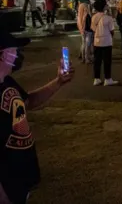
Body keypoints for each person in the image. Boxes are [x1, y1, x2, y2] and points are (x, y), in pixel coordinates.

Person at [0, 31, 74, 204]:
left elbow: (28, 102)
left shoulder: (7, 82)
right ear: (2, 55)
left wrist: (58, 82)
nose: (18, 54)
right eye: (14, 50)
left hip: (19, 175)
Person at [91, 0, 118, 86]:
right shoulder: (108, 18)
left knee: (97, 61)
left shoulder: (94, 17)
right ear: (103, 7)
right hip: (106, 41)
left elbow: (93, 29)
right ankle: (108, 78)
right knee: (107, 61)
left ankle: (97, 78)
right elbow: (112, 31)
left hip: (97, 41)